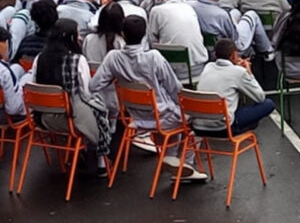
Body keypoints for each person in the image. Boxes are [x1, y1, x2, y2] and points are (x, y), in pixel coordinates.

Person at [90, 15, 207, 180]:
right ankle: (183, 163)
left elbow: (94, 86)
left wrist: (116, 82)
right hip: (162, 115)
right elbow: (174, 87)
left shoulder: (113, 58)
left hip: (134, 118)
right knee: (197, 121)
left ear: (123, 34)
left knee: (176, 123)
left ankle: (171, 158)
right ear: (145, 35)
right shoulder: (154, 57)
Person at [28, 19, 112, 175]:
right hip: (70, 120)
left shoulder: (40, 58)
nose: (80, 37)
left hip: (42, 119)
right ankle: (101, 161)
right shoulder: (77, 60)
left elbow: (35, 85)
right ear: (70, 37)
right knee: (99, 111)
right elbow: (86, 92)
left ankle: (80, 153)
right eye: (77, 34)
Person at [197, 38, 276, 132]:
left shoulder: (208, 67)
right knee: (268, 104)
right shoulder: (239, 72)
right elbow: (260, 97)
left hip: (198, 126)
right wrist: (249, 73)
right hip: (223, 128)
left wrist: (235, 68)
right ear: (233, 55)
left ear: (215, 54)